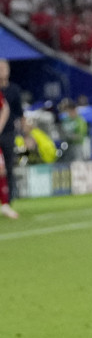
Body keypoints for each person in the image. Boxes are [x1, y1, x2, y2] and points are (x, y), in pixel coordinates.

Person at [0, 58, 19, 218]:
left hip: (7, 133)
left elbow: (7, 109)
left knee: (5, 168)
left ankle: (7, 202)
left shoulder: (13, 90)